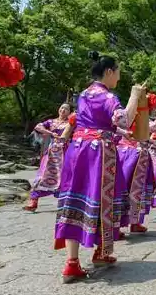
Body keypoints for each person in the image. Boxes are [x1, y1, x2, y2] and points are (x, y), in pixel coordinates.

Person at [54, 51, 145, 283]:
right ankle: (101, 252)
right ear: (108, 72)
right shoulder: (108, 97)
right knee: (104, 198)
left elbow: (99, 122)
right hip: (99, 153)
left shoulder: (84, 93)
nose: (119, 78)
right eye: (118, 73)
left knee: (75, 199)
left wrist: (120, 131)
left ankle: (71, 263)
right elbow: (122, 118)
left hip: (78, 149)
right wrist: (135, 97)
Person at [117, 103, 156, 236]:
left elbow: (154, 134)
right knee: (124, 190)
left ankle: (134, 222)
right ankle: (117, 226)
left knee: (137, 191)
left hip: (136, 157)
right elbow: (155, 127)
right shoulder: (127, 117)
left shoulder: (139, 119)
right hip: (129, 156)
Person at [23, 103, 71, 212]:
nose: (63, 110)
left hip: (65, 153)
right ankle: (33, 201)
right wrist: (50, 133)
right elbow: (38, 127)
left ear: (69, 112)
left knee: (63, 177)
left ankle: (65, 204)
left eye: (66, 109)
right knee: (41, 175)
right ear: (58, 109)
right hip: (50, 153)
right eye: (62, 108)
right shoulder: (51, 122)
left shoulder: (70, 123)